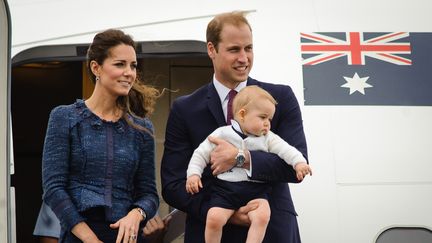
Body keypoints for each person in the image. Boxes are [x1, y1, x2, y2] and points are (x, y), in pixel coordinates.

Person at [161, 11, 309, 243]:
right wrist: (223, 211)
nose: (244, 58)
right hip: (210, 229)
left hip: (271, 230)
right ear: (211, 49)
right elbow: (173, 185)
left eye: (248, 48)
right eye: (234, 50)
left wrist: (241, 158)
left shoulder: (280, 98)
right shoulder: (185, 109)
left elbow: (296, 166)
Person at [42, 29, 160, 243]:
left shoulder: (142, 129)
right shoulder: (64, 117)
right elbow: (53, 188)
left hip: (127, 238)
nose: (129, 73)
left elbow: (150, 194)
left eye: (133, 65)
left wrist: (137, 214)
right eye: (120, 64)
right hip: (79, 236)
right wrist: (89, 239)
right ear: (96, 67)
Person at [185, 86, 312, 243]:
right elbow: (200, 154)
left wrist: (299, 163)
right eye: (263, 117)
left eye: (270, 119)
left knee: (262, 216)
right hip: (225, 191)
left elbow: (287, 150)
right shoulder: (222, 133)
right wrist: (193, 174)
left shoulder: (269, 138)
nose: (267, 124)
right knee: (214, 218)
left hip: (257, 191)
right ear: (243, 114)